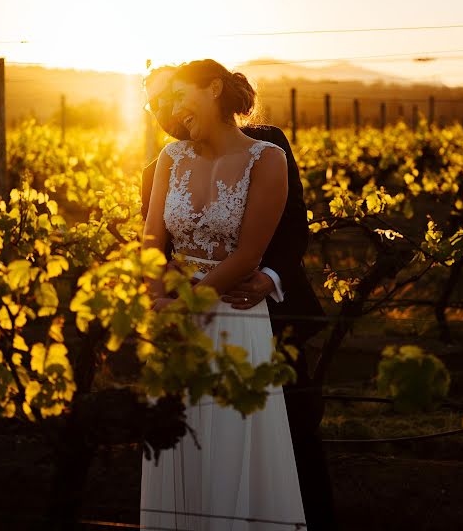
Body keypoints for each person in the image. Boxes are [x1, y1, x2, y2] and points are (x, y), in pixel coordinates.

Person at [140, 59, 334, 530]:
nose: (165, 108)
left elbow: (285, 235)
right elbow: (150, 242)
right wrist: (161, 301)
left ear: (211, 89)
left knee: (278, 436)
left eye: (174, 94)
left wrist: (269, 276)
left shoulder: (267, 151)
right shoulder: (164, 161)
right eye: (156, 102)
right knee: (177, 439)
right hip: (177, 316)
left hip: (245, 309)